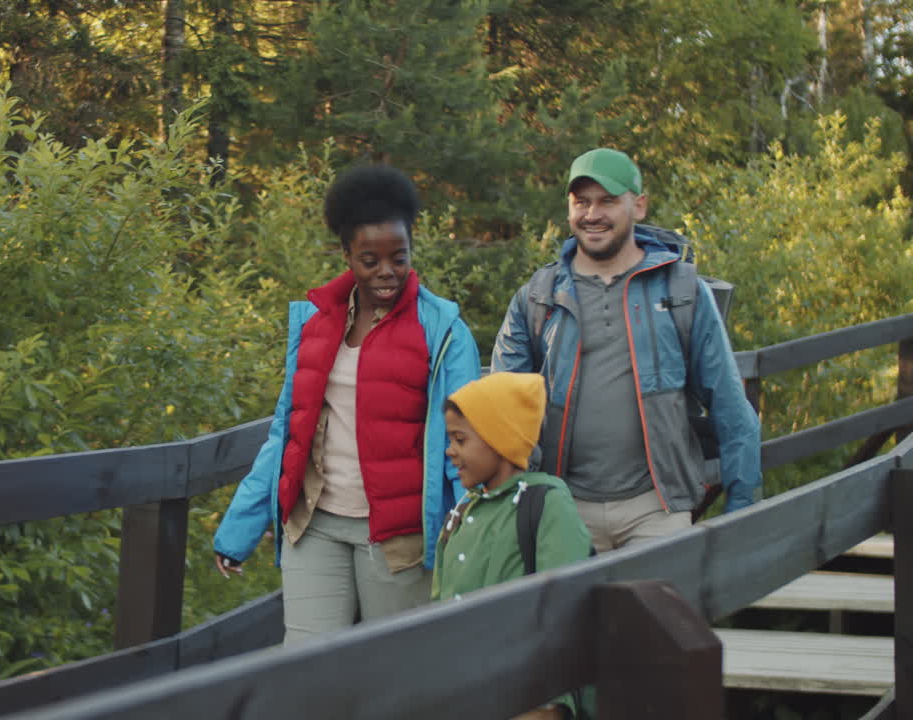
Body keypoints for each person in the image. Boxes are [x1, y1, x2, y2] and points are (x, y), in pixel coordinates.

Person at [212, 164, 482, 645]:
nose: (386, 272)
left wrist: (473, 534)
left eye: (399, 258)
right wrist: (240, 528)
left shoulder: (443, 332)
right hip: (314, 523)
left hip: (398, 539)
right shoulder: (316, 325)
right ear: (346, 255)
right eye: (370, 259)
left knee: (392, 675)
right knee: (306, 668)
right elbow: (286, 432)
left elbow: (461, 443)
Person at [490, 147, 761, 553]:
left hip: (656, 509)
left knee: (655, 616)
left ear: (639, 205)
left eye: (608, 201)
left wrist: (741, 507)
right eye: (581, 202)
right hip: (562, 509)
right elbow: (501, 414)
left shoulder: (683, 291)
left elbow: (729, 405)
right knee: (568, 620)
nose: (592, 214)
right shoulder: (537, 298)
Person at [433, 372, 592, 720]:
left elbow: (565, 613)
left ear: (498, 440)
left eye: (460, 439)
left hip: (523, 699)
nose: (450, 451)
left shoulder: (548, 504)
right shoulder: (462, 511)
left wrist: (551, 706)